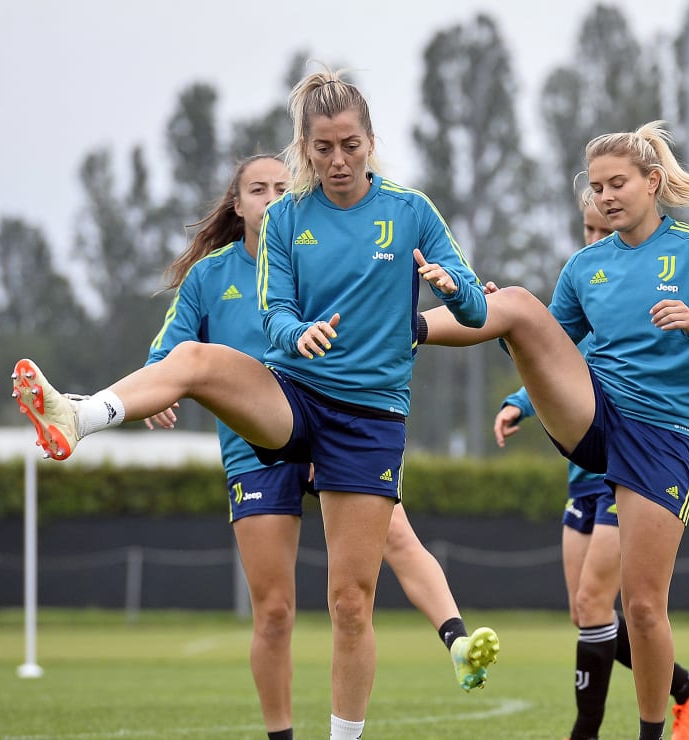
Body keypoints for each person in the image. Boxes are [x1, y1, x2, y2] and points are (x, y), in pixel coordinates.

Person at [11, 68, 494, 740]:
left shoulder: (410, 210)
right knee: (197, 361)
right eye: (322, 147)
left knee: (351, 604)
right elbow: (276, 317)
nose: (337, 160)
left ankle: (377, 704)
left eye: (349, 144)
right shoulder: (290, 218)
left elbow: (474, 309)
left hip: (370, 420)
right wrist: (302, 334)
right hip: (296, 398)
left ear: (370, 141)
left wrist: (453, 287)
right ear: (305, 147)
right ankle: (81, 415)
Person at [137, 154, 499, 738]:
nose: (273, 197)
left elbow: (380, 310)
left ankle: (456, 639)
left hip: (331, 425)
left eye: (282, 186)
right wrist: (158, 387)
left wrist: (443, 294)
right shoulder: (211, 276)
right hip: (258, 443)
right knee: (275, 610)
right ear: (237, 204)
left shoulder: (318, 242)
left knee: (390, 552)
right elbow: (171, 354)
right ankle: (282, 733)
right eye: (258, 189)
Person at [419, 121, 689, 740]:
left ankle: (655, 728)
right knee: (518, 306)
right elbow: (557, 346)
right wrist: (499, 330)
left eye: (617, 183)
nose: (604, 196)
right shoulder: (584, 267)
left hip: (663, 436)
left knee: (644, 609)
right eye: (596, 187)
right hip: (597, 416)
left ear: (653, 183)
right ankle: (408, 327)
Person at [490, 191, 689, 740]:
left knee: (603, 603)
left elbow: (684, 392)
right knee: (587, 612)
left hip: (636, 471)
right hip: (583, 475)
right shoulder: (587, 286)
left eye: (601, 229)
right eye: (587, 230)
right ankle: (687, 686)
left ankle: (585, 733)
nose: (595, 239)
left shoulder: (651, 285)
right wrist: (516, 400)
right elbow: (558, 363)